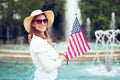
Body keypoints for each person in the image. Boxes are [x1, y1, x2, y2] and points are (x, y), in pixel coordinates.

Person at [23, 9, 66, 80]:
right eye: (39, 21)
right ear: (33, 24)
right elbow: (48, 68)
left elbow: (50, 57)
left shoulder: (41, 39)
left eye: (45, 20)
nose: (43, 23)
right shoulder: (38, 42)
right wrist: (63, 57)